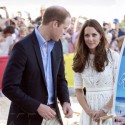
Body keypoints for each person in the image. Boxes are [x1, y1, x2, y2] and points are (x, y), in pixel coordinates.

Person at [2, 5, 73, 125]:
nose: (65, 33)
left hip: (53, 116)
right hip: (26, 118)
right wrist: (37, 106)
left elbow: (60, 78)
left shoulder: (57, 45)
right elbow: (9, 87)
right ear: (55, 24)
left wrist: (65, 100)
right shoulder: (22, 47)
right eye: (64, 28)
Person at [72, 19, 119, 125]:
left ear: (100, 36)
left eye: (94, 35)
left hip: (109, 110)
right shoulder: (79, 58)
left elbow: (118, 87)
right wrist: (89, 112)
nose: (90, 39)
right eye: (87, 35)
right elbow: (78, 90)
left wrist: (105, 110)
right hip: (89, 112)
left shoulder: (113, 56)